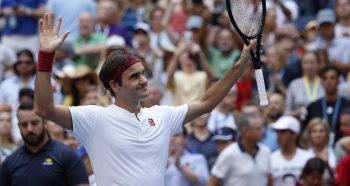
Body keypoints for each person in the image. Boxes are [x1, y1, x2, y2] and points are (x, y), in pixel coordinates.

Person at [34, 12, 256, 185]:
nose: (143, 80)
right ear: (115, 85)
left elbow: (207, 103)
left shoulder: (162, 115)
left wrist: (241, 63)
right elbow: (44, 108)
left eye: (143, 73)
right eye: (134, 76)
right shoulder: (94, 118)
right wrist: (45, 56)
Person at [0, 102, 89, 186]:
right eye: (24, 125)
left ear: (45, 123)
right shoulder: (9, 163)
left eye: (34, 123)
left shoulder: (67, 156)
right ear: (18, 127)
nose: (29, 129)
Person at [208, 113, 272, 186]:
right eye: (258, 129)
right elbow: (212, 182)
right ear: (246, 131)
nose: (262, 131)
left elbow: (269, 180)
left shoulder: (266, 151)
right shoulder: (228, 154)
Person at [304, 66, 350, 145]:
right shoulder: (313, 106)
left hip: (343, 148)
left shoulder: (347, 104)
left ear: (338, 81)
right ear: (321, 82)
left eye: (332, 78)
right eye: (325, 78)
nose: (328, 82)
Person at [270, 116, 313, 186]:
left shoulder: (308, 157)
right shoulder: (270, 158)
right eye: (277, 132)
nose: (279, 135)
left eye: (283, 132)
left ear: (294, 135)